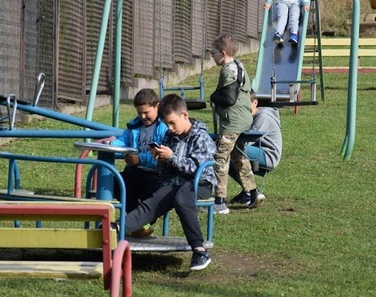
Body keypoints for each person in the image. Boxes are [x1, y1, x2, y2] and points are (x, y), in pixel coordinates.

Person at [123, 94, 217, 271]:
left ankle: (199, 251)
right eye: (167, 124)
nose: (170, 128)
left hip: (200, 183)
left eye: (173, 123)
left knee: (181, 198)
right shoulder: (169, 136)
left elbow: (195, 168)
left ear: (185, 115)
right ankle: (118, 227)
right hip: (175, 182)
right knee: (154, 200)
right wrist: (160, 159)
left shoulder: (201, 137)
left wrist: (171, 157)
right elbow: (165, 173)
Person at [209, 33, 264, 214]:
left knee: (220, 158)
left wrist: (213, 97)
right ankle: (254, 192)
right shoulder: (240, 65)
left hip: (232, 122)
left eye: (213, 53)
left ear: (223, 53)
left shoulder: (227, 70)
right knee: (239, 156)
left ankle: (219, 201)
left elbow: (229, 98)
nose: (212, 56)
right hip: (245, 118)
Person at [108, 88, 168, 234]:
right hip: (136, 171)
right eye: (139, 112)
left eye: (146, 112)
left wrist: (140, 159)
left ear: (157, 106)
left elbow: (163, 155)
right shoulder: (135, 125)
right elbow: (124, 141)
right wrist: (110, 145)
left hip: (157, 173)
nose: (143, 116)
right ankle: (138, 223)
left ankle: (137, 222)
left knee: (155, 192)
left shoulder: (163, 127)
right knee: (116, 181)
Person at [229, 90, 283, 205]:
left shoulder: (263, 117)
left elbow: (247, 141)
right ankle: (247, 191)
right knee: (225, 157)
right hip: (257, 150)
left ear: (255, 103)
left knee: (230, 150)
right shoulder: (249, 117)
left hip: (268, 155)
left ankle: (250, 191)